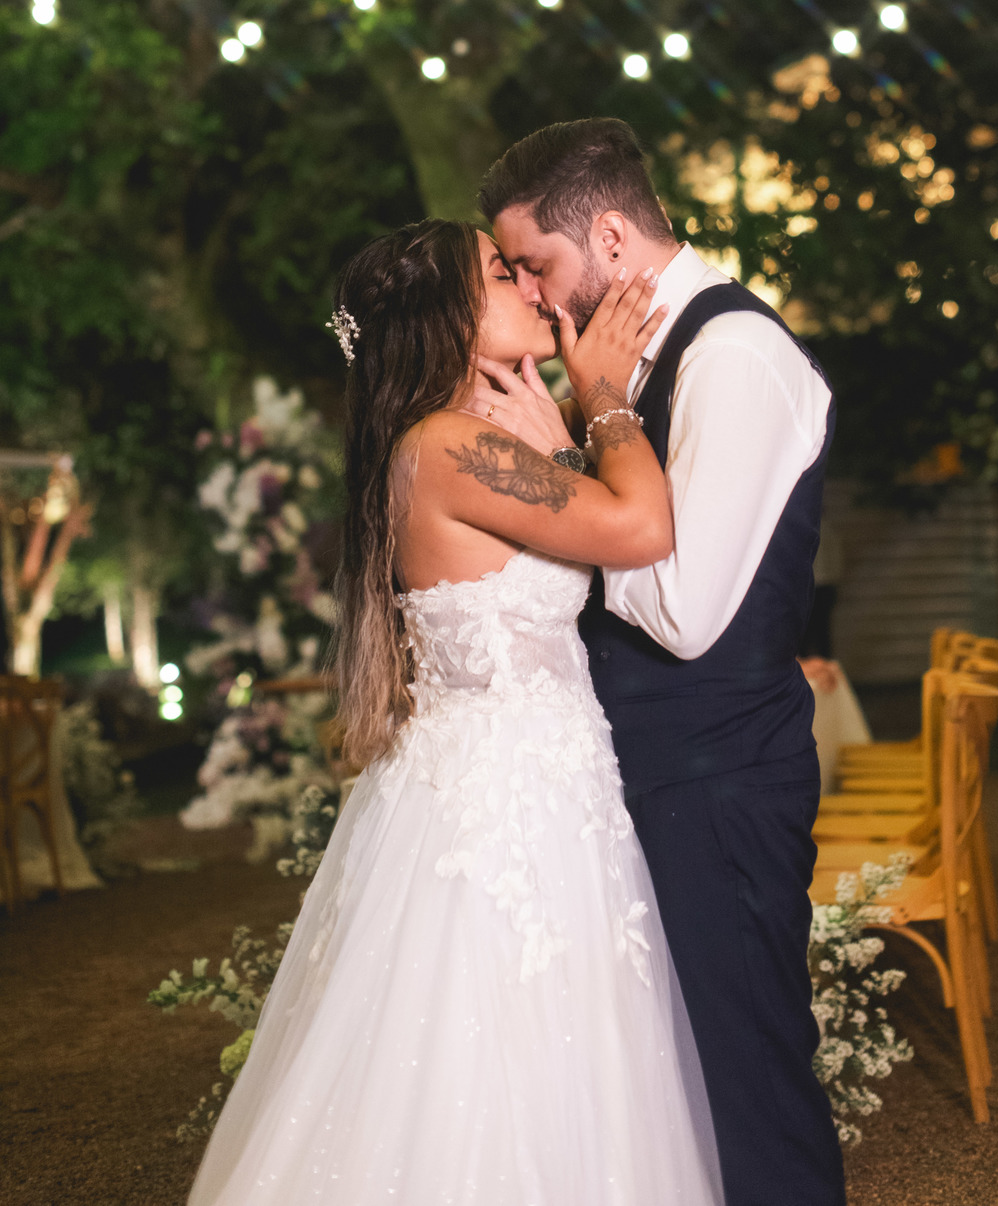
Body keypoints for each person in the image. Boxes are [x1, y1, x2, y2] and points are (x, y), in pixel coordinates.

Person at [188, 219, 723, 1206]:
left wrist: (561, 439)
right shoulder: (449, 446)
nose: (524, 281)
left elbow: (563, 521)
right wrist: (605, 403)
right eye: (497, 272)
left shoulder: (457, 441)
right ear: (453, 317)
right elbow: (642, 527)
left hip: (528, 789)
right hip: (506, 815)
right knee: (501, 1071)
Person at [481, 118, 847, 1206]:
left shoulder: (734, 356)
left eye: (539, 266)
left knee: (750, 1085)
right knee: (676, 1093)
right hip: (651, 778)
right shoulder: (631, 361)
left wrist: (592, 449)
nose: (540, 297)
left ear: (607, 234)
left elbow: (684, 613)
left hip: (720, 779)